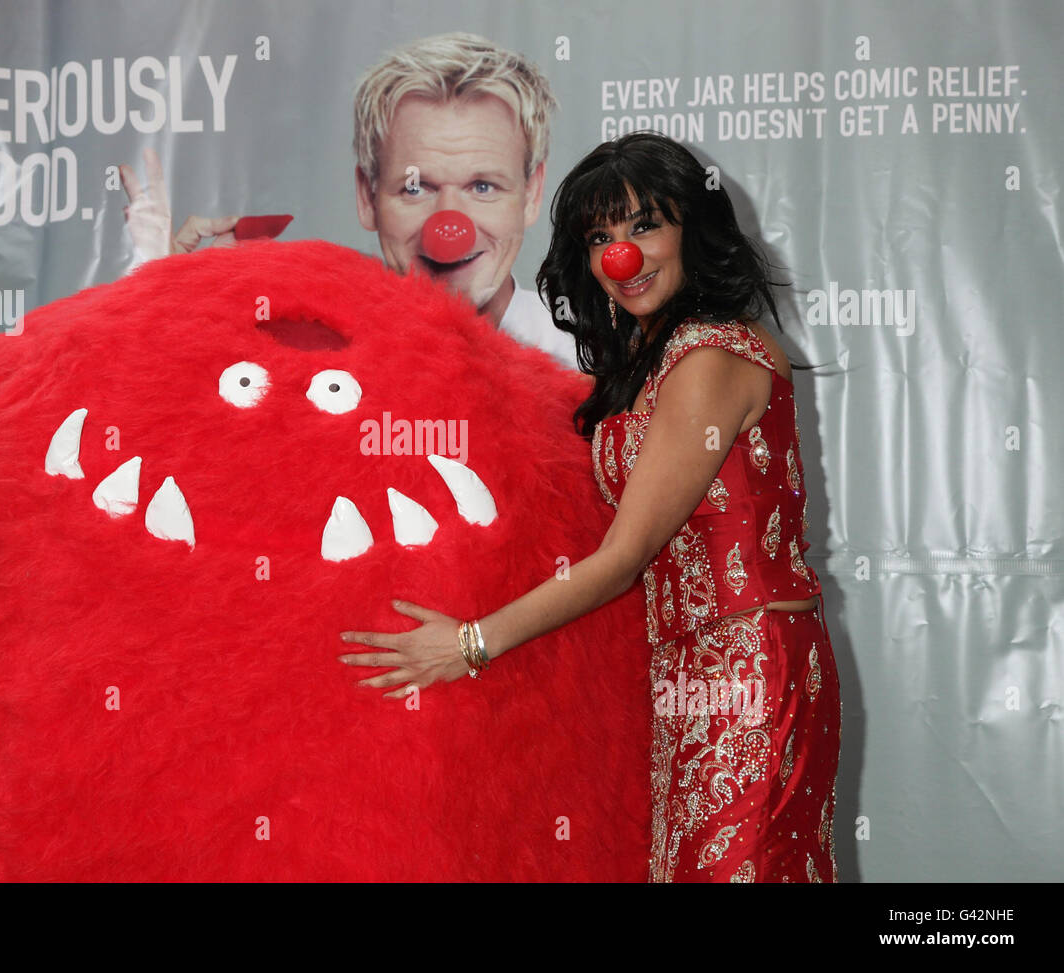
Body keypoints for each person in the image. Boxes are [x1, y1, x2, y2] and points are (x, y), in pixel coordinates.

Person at [337, 131, 841, 884]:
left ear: (692, 229)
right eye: (600, 235)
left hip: (745, 665)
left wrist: (469, 643)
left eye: (644, 225)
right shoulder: (644, 364)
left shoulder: (708, 357)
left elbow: (620, 559)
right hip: (682, 667)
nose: (621, 256)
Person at [119, 32, 579, 370]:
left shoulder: (593, 371)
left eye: (483, 186)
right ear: (366, 197)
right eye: (416, 188)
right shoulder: (300, 361)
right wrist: (155, 300)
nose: (449, 227)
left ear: (532, 193)